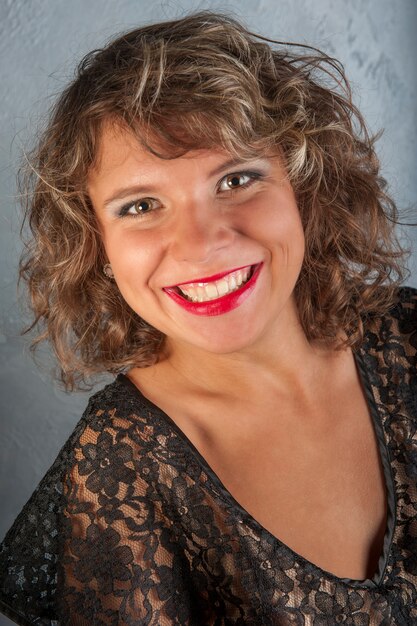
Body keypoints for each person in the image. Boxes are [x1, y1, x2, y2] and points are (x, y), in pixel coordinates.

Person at [0, 9, 416, 625]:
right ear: (96, 247)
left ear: (304, 185)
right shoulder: (121, 469)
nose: (199, 244)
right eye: (141, 205)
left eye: (237, 179)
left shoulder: (406, 331)